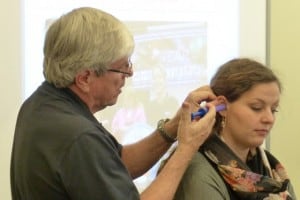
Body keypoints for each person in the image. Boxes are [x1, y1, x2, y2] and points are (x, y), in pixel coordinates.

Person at [10, 7, 217, 200]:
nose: (130, 73)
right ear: (84, 79)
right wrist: (187, 148)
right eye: (121, 67)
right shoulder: (80, 137)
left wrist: (174, 127)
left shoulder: (41, 103)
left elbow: (115, 164)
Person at [170, 58, 297, 199]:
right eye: (256, 108)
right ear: (222, 107)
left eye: (273, 110)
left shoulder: (273, 171)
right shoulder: (197, 169)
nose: (269, 119)